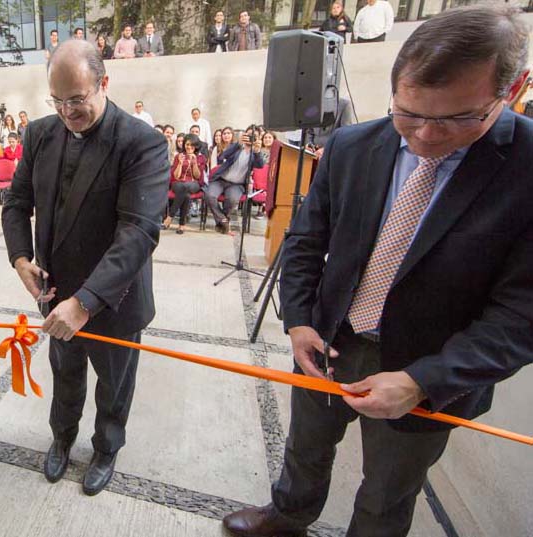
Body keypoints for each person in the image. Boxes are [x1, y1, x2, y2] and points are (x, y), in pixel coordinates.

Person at [222, 6, 533, 536]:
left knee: (389, 490)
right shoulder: (351, 145)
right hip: (331, 340)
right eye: (409, 114)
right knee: (306, 446)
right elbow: (305, 241)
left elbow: (521, 314)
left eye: (456, 119)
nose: (426, 137)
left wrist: (422, 382)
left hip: (428, 367)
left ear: (514, 88)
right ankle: (289, 514)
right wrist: (299, 321)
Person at [2, 39, 169, 497]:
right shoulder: (39, 134)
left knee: (114, 385)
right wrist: (21, 259)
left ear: (104, 84)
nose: (67, 112)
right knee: (65, 373)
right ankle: (62, 437)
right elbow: (16, 202)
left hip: (114, 301)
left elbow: (137, 232)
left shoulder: (142, 143)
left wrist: (87, 302)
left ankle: (106, 447)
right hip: (56, 295)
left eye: (77, 99)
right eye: (57, 101)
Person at [206, 126, 264, 234]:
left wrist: (257, 151)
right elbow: (222, 156)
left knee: (232, 200)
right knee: (209, 195)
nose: (250, 138)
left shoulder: (255, 152)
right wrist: (238, 144)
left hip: (236, 184)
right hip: (221, 180)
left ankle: (222, 220)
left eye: (254, 136)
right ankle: (223, 220)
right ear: (244, 134)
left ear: (258, 138)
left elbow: (260, 165)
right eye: (248, 135)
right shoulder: (236, 146)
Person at [166, 133, 205, 235]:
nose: (189, 147)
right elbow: (176, 176)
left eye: (192, 145)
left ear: (196, 146)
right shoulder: (179, 156)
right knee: (186, 194)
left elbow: (197, 176)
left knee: (186, 187)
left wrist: (195, 163)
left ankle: (170, 217)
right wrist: (179, 163)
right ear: (184, 145)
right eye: (187, 144)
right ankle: (181, 225)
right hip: (178, 183)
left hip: (193, 183)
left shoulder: (200, 158)